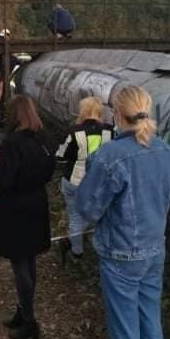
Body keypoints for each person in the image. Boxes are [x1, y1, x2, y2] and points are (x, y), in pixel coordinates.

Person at [75, 85, 170, 339]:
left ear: (117, 114)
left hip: (121, 255)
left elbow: (88, 208)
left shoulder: (110, 155)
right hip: (154, 252)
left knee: (125, 333)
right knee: (150, 324)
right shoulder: (165, 150)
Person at [0, 95, 55, 339]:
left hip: (16, 207)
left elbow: (3, 179)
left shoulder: (13, 143)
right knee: (29, 259)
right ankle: (23, 310)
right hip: (37, 203)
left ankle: (29, 320)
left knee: (20, 263)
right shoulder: (44, 138)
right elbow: (49, 171)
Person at [55, 96, 113, 265]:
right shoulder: (110, 131)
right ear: (100, 112)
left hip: (74, 180)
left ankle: (76, 253)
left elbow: (59, 156)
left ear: (83, 111)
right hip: (99, 183)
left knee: (75, 217)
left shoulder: (74, 131)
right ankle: (99, 250)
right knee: (98, 214)